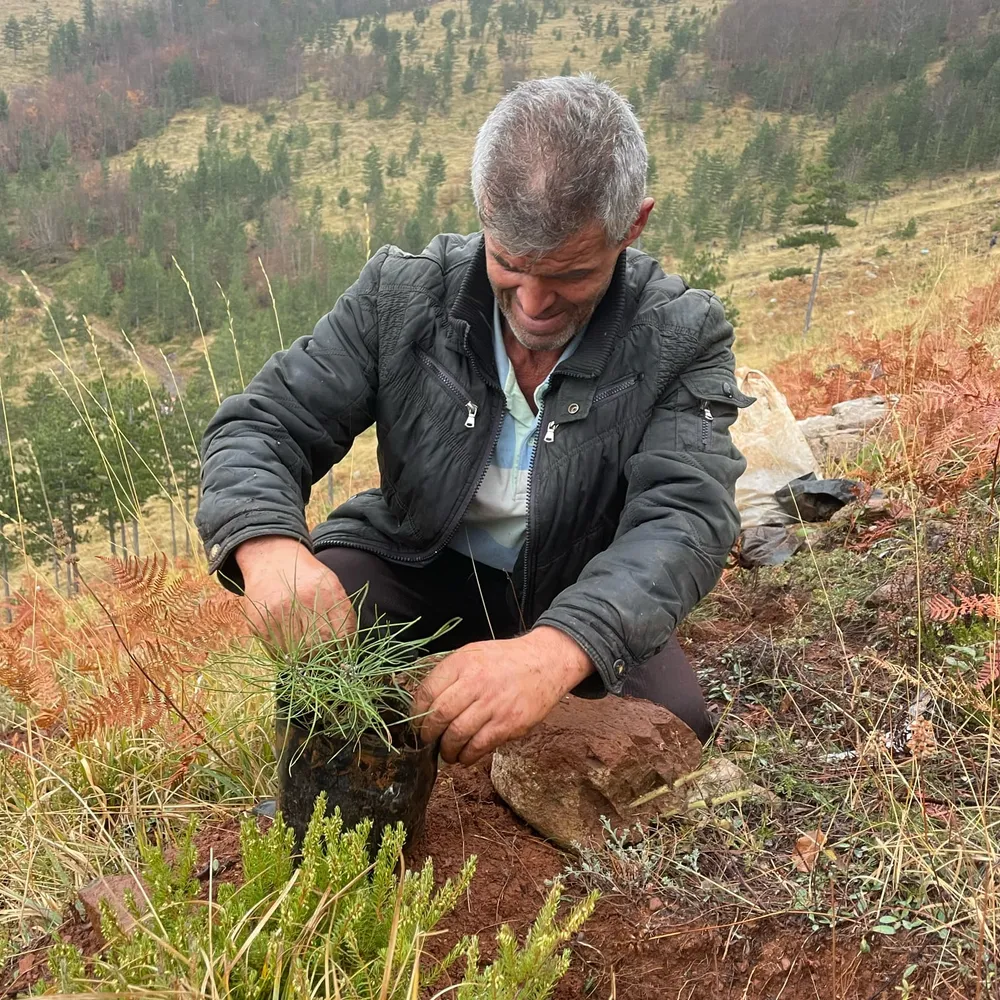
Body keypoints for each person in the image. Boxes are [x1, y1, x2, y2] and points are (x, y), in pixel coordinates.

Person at [196, 75, 752, 766]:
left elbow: (685, 517)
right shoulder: (402, 295)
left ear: (632, 226)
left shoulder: (681, 334)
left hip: (577, 583)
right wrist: (267, 546)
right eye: (510, 264)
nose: (534, 303)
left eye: (571, 273)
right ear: (484, 212)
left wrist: (554, 653)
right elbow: (264, 425)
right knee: (327, 632)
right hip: (420, 558)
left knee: (673, 726)